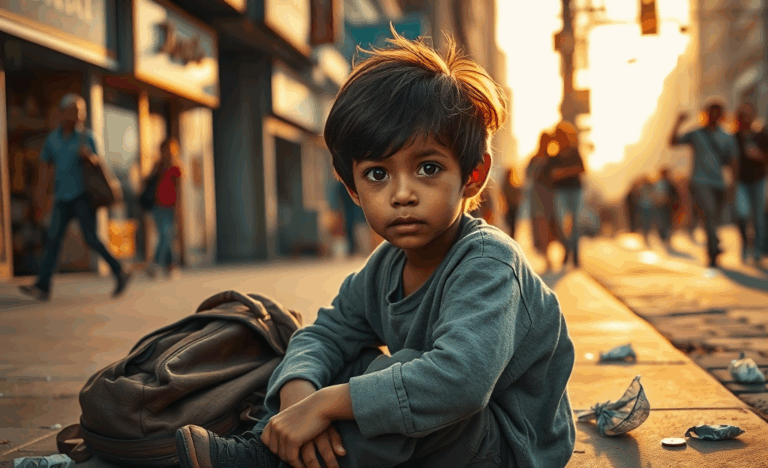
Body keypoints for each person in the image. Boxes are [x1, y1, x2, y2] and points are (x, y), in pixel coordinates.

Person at [174, 30, 576, 468]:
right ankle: (273, 443)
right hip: (449, 433)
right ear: (352, 189)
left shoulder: (489, 263)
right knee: (338, 365)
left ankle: (268, 461)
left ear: (473, 175)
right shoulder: (385, 265)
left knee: (394, 371)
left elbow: (459, 383)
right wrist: (300, 391)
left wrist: (328, 405)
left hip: (506, 445)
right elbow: (326, 332)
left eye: (428, 168)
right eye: (377, 175)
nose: (402, 194)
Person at [18, 93, 131, 301]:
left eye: (81, 111)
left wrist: (90, 157)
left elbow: (100, 165)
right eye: (74, 110)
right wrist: (40, 196)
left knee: (92, 239)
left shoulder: (86, 137)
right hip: (62, 198)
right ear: (63, 113)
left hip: (83, 198)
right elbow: (45, 169)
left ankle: (119, 271)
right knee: (53, 240)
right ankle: (43, 286)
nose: (78, 115)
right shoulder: (53, 139)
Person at [669, 101, 738, 267]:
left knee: (714, 217)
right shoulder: (695, 134)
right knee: (709, 213)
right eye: (711, 112)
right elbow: (673, 142)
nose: (714, 116)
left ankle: (714, 244)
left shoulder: (727, 136)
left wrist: (733, 184)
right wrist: (678, 122)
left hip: (719, 183)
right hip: (700, 182)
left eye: (717, 113)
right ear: (705, 114)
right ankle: (713, 250)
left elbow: (734, 161)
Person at [545, 121, 586, 268]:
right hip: (560, 191)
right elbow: (549, 174)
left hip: (575, 190)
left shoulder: (574, 151)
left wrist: (562, 173)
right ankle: (567, 249)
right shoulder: (553, 155)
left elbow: (582, 169)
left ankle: (575, 255)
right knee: (562, 224)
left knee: (575, 223)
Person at [732, 102, 768, 264]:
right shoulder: (733, 137)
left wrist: (758, 155)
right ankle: (746, 244)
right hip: (740, 181)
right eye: (741, 117)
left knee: (758, 217)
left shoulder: (761, 136)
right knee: (742, 214)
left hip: (759, 180)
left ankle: (757, 251)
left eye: (747, 117)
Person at [144, 137, 182, 278]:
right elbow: (149, 182)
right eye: (165, 150)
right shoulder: (158, 166)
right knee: (165, 235)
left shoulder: (176, 169)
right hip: (157, 206)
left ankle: (162, 264)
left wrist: (179, 210)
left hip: (170, 207)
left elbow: (179, 191)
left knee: (167, 236)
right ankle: (166, 266)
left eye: (170, 150)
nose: (167, 153)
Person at [526, 132, 558, 271]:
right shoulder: (534, 158)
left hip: (549, 197)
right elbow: (527, 174)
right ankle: (546, 256)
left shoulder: (552, 159)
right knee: (540, 227)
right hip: (537, 197)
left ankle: (548, 255)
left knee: (549, 227)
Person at [500, 166, 522, 239]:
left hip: (510, 208)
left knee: (511, 226)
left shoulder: (506, 185)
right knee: (512, 226)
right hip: (510, 208)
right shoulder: (510, 185)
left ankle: (511, 238)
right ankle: (512, 238)